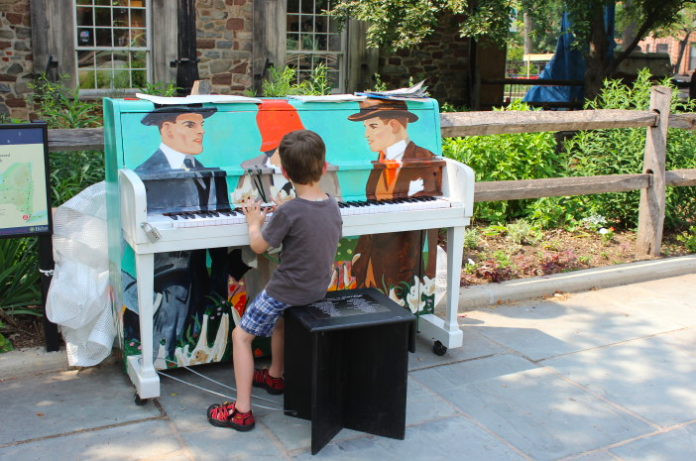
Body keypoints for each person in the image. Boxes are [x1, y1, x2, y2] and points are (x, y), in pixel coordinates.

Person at [207, 130, 343, 432]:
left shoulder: (291, 210)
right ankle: (275, 374)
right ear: (323, 168)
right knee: (281, 322)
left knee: (241, 337)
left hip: (286, 290)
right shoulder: (331, 203)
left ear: (283, 172)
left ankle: (241, 410)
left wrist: (254, 222)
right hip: (316, 288)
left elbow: (258, 246)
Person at [123, 105, 233, 365]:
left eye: (201, 125)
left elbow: (220, 236)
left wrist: (220, 286)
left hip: (200, 288)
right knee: (166, 354)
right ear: (167, 129)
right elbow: (122, 251)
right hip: (163, 296)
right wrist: (151, 302)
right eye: (190, 125)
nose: (201, 132)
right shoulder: (141, 177)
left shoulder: (211, 172)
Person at [346, 99, 442, 291]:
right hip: (369, 270)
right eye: (365, 127)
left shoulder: (423, 160)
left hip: (402, 274)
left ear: (394, 125)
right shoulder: (378, 162)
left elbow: (423, 219)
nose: (367, 134)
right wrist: (357, 263)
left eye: (373, 126)